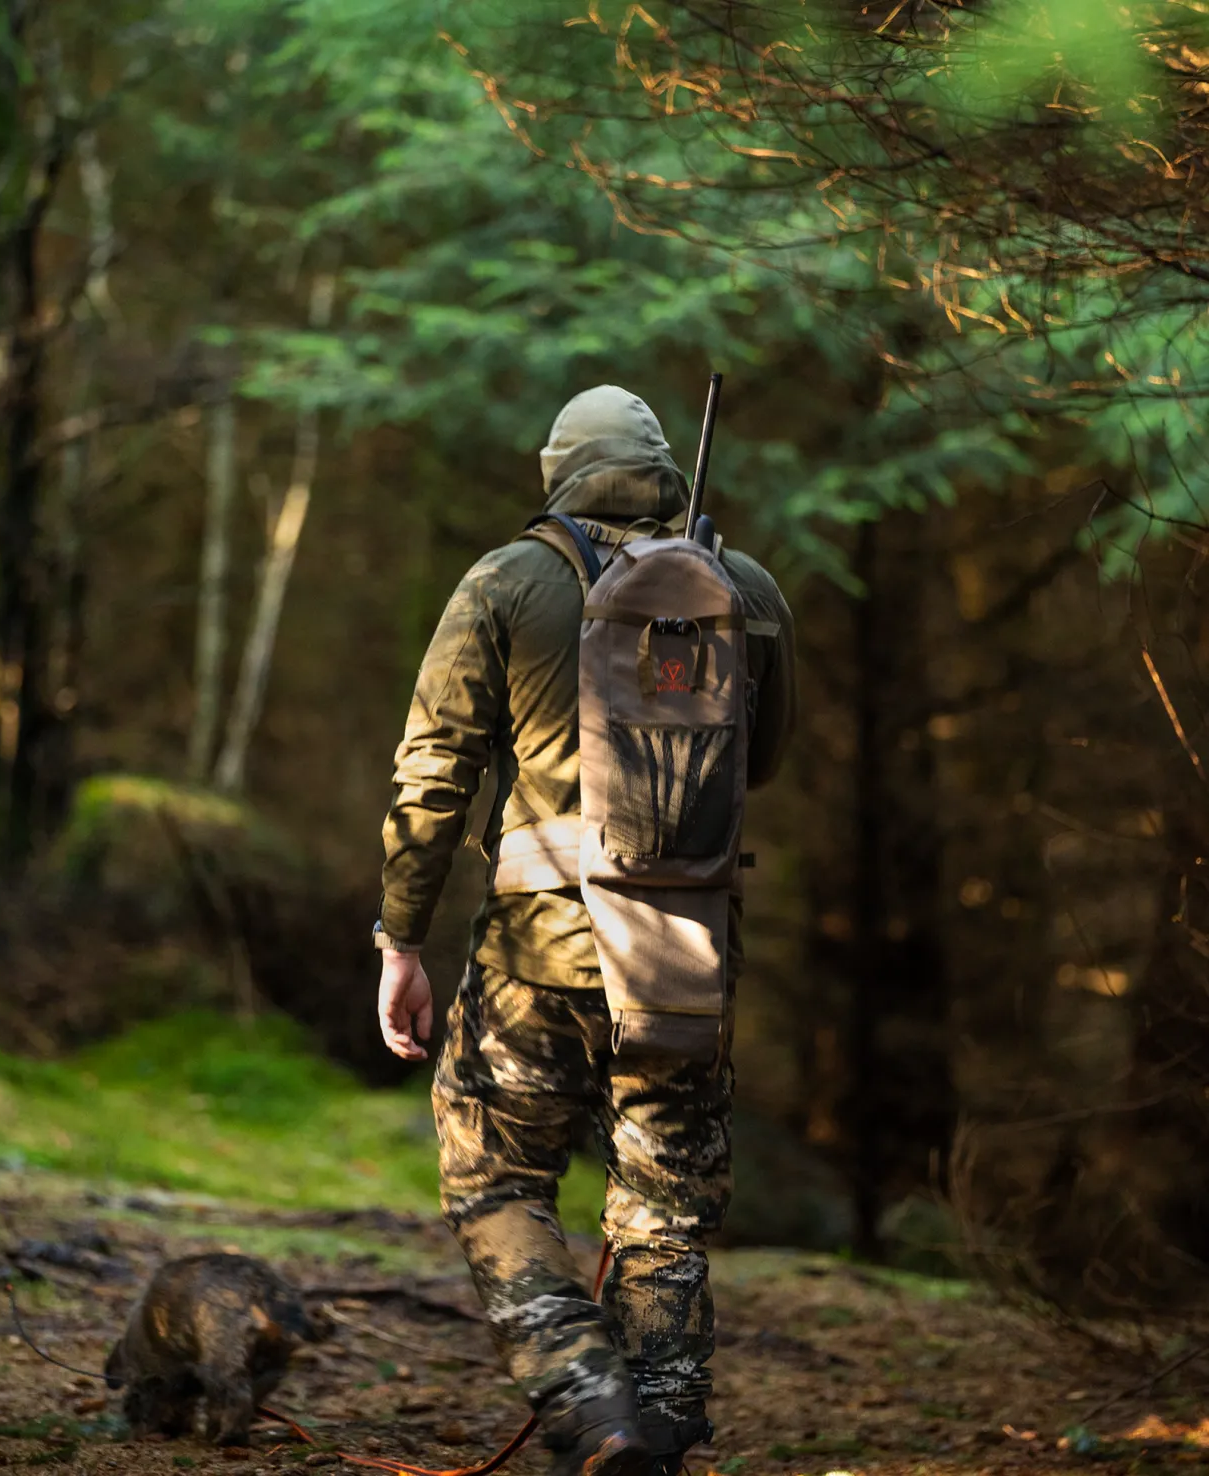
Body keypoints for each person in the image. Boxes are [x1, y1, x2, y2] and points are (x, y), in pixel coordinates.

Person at [375, 386, 797, 1476]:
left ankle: (591, 1404)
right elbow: (766, 761)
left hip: (540, 953)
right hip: (687, 955)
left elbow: (433, 779)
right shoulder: (742, 590)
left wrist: (401, 941)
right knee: (663, 1203)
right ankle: (659, 1423)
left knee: (495, 1178)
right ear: (661, 469)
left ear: (556, 472)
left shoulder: (509, 583)